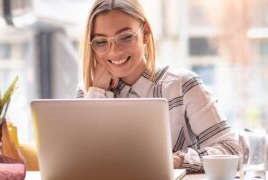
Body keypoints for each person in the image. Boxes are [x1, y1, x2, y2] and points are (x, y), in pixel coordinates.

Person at [75, 0, 240, 173]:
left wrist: (176, 160)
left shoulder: (183, 85)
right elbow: (80, 161)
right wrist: (98, 91)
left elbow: (231, 149)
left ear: (145, 33)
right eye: (101, 42)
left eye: (125, 37)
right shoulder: (88, 91)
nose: (115, 51)